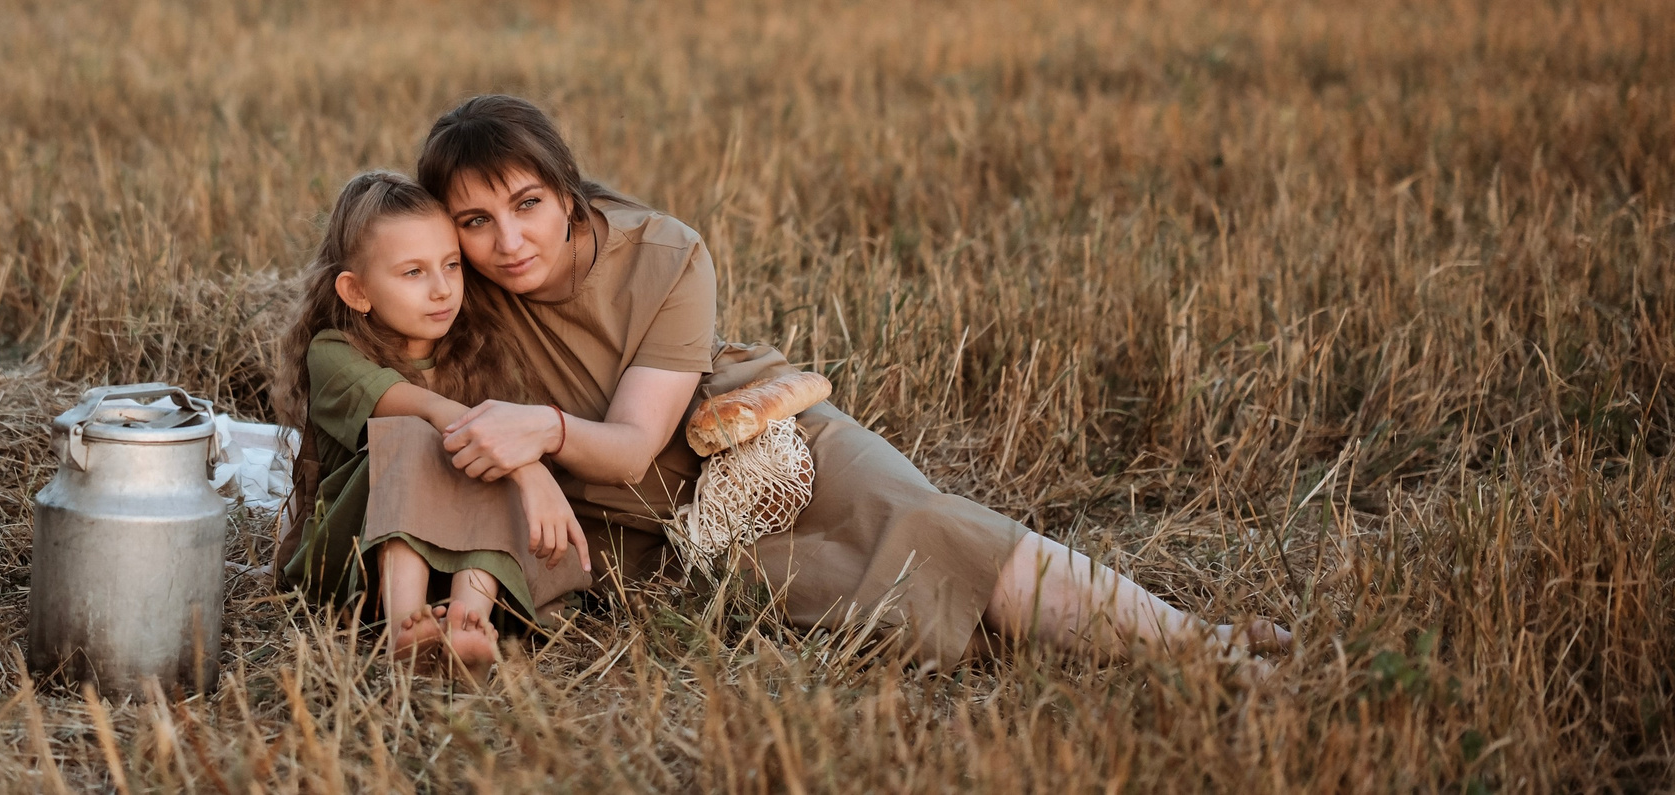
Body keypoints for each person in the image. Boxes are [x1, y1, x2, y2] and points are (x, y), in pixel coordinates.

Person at [411, 94, 1291, 674]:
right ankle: (1135, 642)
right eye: (476, 221)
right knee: (865, 604)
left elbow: (639, 439)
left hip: (757, 442)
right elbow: (370, 377)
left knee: (933, 520)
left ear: (566, 192)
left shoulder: (662, 251)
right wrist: (525, 465)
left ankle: (1193, 645)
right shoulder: (454, 293)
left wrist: (539, 434)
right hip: (655, 524)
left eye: (527, 203)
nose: (509, 241)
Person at [270, 170, 592, 676]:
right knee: (441, 434)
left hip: (467, 566)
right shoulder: (333, 353)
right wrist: (528, 470)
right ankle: (407, 627)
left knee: (487, 447)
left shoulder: (479, 352)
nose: (442, 290)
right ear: (357, 291)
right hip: (357, 564)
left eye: (451, 265)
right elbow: (432, 412)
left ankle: (468, 623)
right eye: (413, 273)